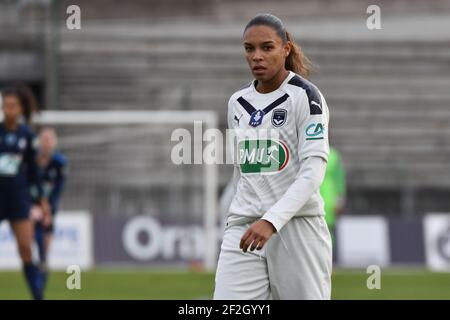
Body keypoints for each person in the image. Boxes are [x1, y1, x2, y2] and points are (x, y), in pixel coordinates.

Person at [214, 14, 332, 300]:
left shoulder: (306, 97)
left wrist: (271, 220)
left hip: (296, 227)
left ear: (285, 49)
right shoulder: (237, 103)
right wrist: (231, 215)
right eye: (249, 48)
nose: (257, 56)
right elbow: (243, 170)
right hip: (244, 227)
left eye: (267, 47)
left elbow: (313, 170)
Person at [0, 84, 51, 300]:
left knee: (25, 249)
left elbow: (34, 171)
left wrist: (41, 199)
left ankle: (37, 296)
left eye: (13, 105)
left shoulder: (28, 136)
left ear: (21, 109)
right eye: (6, 105)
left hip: (18, 198)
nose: (9, 109)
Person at [31, 127, 67, 288]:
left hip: (49, 207)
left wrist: (49, 210)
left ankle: (43, 264)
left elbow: (58, 189)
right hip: (31, 205)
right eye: (44, 139)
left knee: (46, 236)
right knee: (34, 236)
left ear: (54, 142)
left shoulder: (60, 162)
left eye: (49, 139)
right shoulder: (31, 159)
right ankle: (37, 266)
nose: (46, 143)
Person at [320, 146, 346, 238]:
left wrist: (339, 201)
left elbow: (339, 179)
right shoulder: (308, 150)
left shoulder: (334, 155)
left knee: (328, 232)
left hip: (329, 199)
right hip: (315, 196)